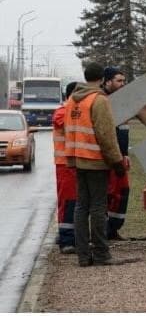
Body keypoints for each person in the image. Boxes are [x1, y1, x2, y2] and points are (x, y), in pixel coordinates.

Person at [64, 62, 125, 267]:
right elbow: (106, 135)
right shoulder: (99, 100)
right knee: (99, 207)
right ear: (101, 79)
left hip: (77, 159)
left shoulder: (73, 99)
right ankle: (101, 254)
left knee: (81, 207)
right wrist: (116, 161)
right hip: (96, 160)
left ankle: (83, 255)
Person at [102, 66, 130, 241]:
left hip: (121, 156)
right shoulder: (101, 100)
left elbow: (123, 130)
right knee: (105, 194)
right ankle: (103, 230)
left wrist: (125, 154)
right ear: (107, 81)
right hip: (106, 157)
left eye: (123, 81)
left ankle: (113, 229)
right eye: (119, 80)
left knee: (122, 191)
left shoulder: (121, 101)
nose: (122, 84)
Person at [52, 81, 78, 254]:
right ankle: (66, 239)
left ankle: (71, 236)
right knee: (68, 202)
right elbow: (67, 124)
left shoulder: (75, 112)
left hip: (77, 164)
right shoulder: (62, 112)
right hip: (65, 165)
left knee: (77, 203)